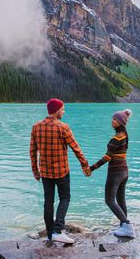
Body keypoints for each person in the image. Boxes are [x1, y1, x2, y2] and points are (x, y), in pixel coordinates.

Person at [30, 98, 91, 244]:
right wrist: (85, 165)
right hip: (62, 171)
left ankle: (50, 233)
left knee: (48, 202)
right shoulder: (63, 127)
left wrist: (35, 171)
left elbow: (32, 151)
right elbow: (76, 148)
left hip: (45, 172)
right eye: (63, 109)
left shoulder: (36, 127)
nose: (64, 112)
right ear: (57, 110)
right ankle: (58, 230)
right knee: (65, 197)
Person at [90, 109, 135, 238]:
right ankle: (123, 226)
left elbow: (107, 157)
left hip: (115, 172)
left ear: (120, 122)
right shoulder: (125, 135)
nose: (112, 121)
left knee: (109, 200)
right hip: (124, 171)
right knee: (120, 199)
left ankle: (127, 225)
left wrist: (92, 168)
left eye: (115, 119)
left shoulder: (117, 138)